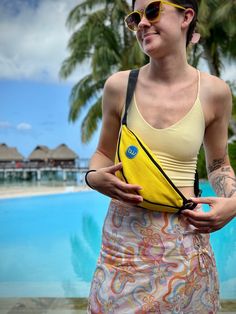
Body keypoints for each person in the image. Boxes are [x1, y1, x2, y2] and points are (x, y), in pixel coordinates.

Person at [86, 0, 236, 312]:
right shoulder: (118, 87)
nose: (142, 23)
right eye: (135, 16)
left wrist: (233, 205)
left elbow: (219, 164)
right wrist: (93, 177)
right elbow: (102, 154)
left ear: (187, 16)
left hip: (186, 246)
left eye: (152, 10)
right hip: (123, 249)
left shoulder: (215, 93)